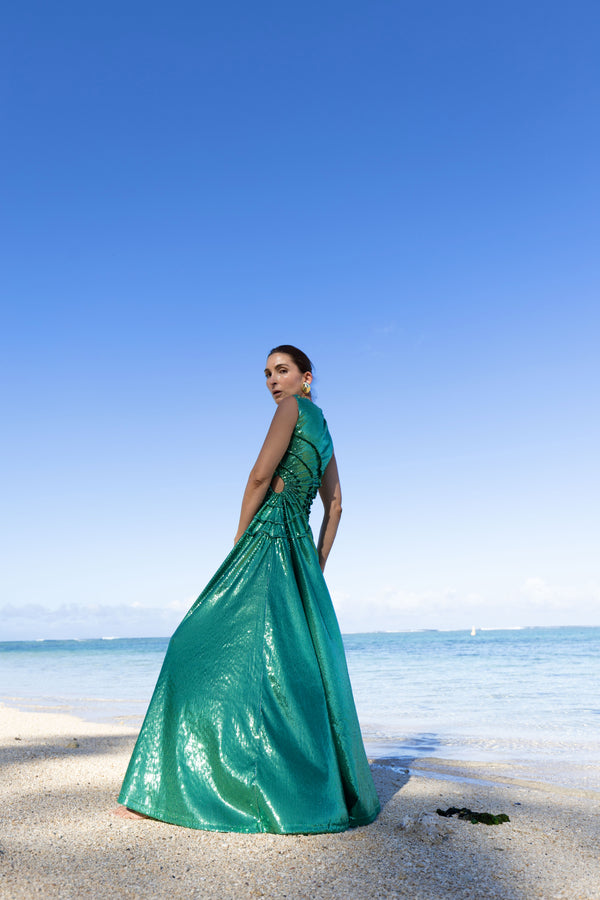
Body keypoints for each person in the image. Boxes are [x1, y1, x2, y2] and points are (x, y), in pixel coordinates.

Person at [114, 345, 380, 833]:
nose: (273, 382)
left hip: (269, 538)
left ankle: (178, 786)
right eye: (266, 375)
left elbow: (259, 476)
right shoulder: (324, 428)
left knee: (190, 643)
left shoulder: (291, 409)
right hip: (301, 553)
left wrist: (240, 540)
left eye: (282, 371)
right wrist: (316, 566)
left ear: (306, 377)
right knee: (295, 667)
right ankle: (302, 788)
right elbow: (337, 505)